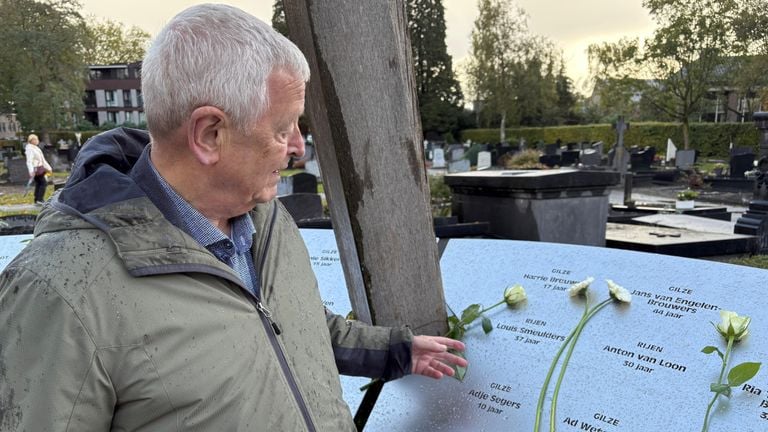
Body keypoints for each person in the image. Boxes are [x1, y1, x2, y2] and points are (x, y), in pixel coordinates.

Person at [0, 4, 466, 431]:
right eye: (283, 128)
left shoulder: (267, 219)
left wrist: (393, 351)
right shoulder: (61, 291)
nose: (299, 147)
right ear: (209, 134)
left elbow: (291, 323)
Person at [23, 133, 52, 204]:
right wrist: (31, 171)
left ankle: (37, 199)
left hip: (40, 168)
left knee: (39, 183)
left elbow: (42, 159)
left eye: (37, 139)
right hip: (36, 169)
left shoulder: (36, 148)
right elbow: (29, 161)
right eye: (35, 139)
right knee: (43, 183)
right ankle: (40, 199)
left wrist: (48, 167)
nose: (37, 141)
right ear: (31, 140)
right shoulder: (30, 149)